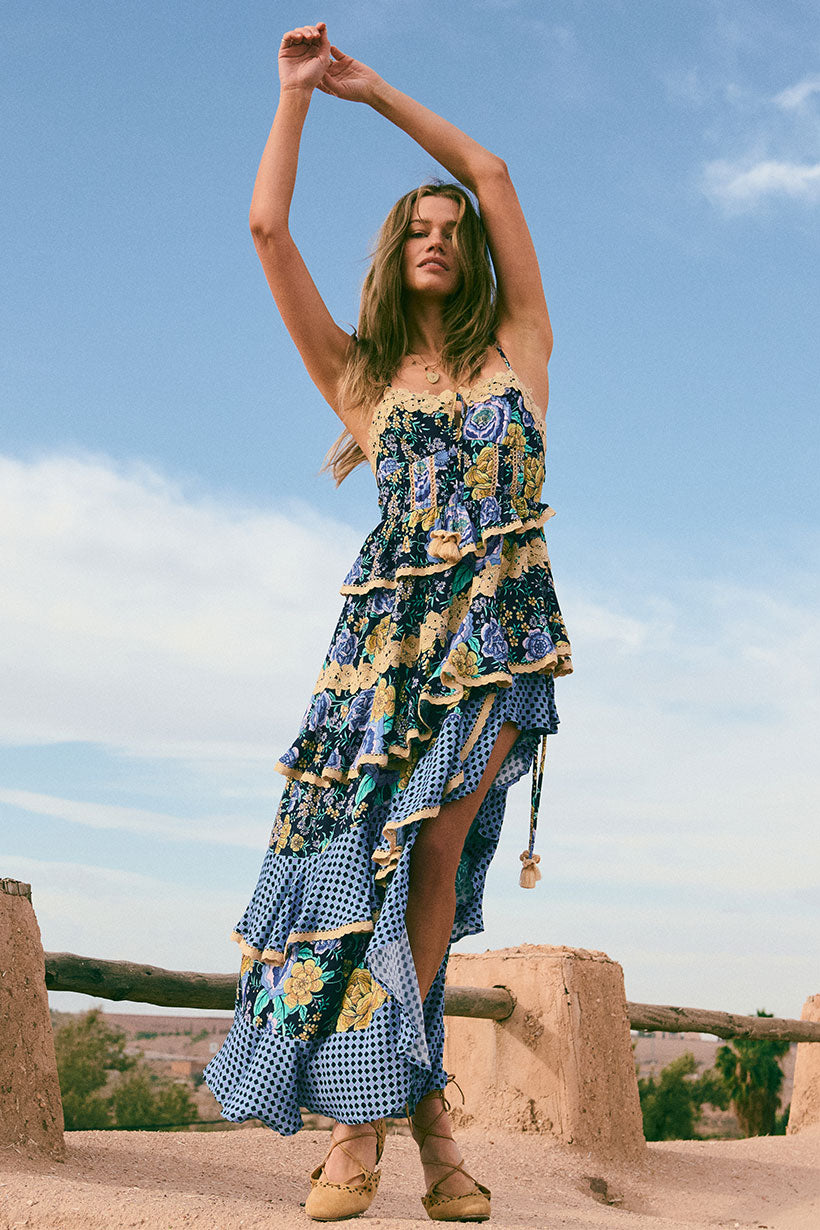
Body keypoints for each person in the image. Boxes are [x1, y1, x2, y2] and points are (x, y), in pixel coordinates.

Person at [203, 21, 572, 1224]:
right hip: (378, 659)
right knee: (365, 872)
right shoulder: (358, 377)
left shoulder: (521, 351)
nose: (438, 238)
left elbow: (492, 172)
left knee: (429, 858)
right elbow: (267, 231)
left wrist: (372, 93)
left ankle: (356, 1132)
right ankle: (432, 1139)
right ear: (393, 253)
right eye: (417, 228)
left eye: (450, 230)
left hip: (495, 640)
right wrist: (297, 95)